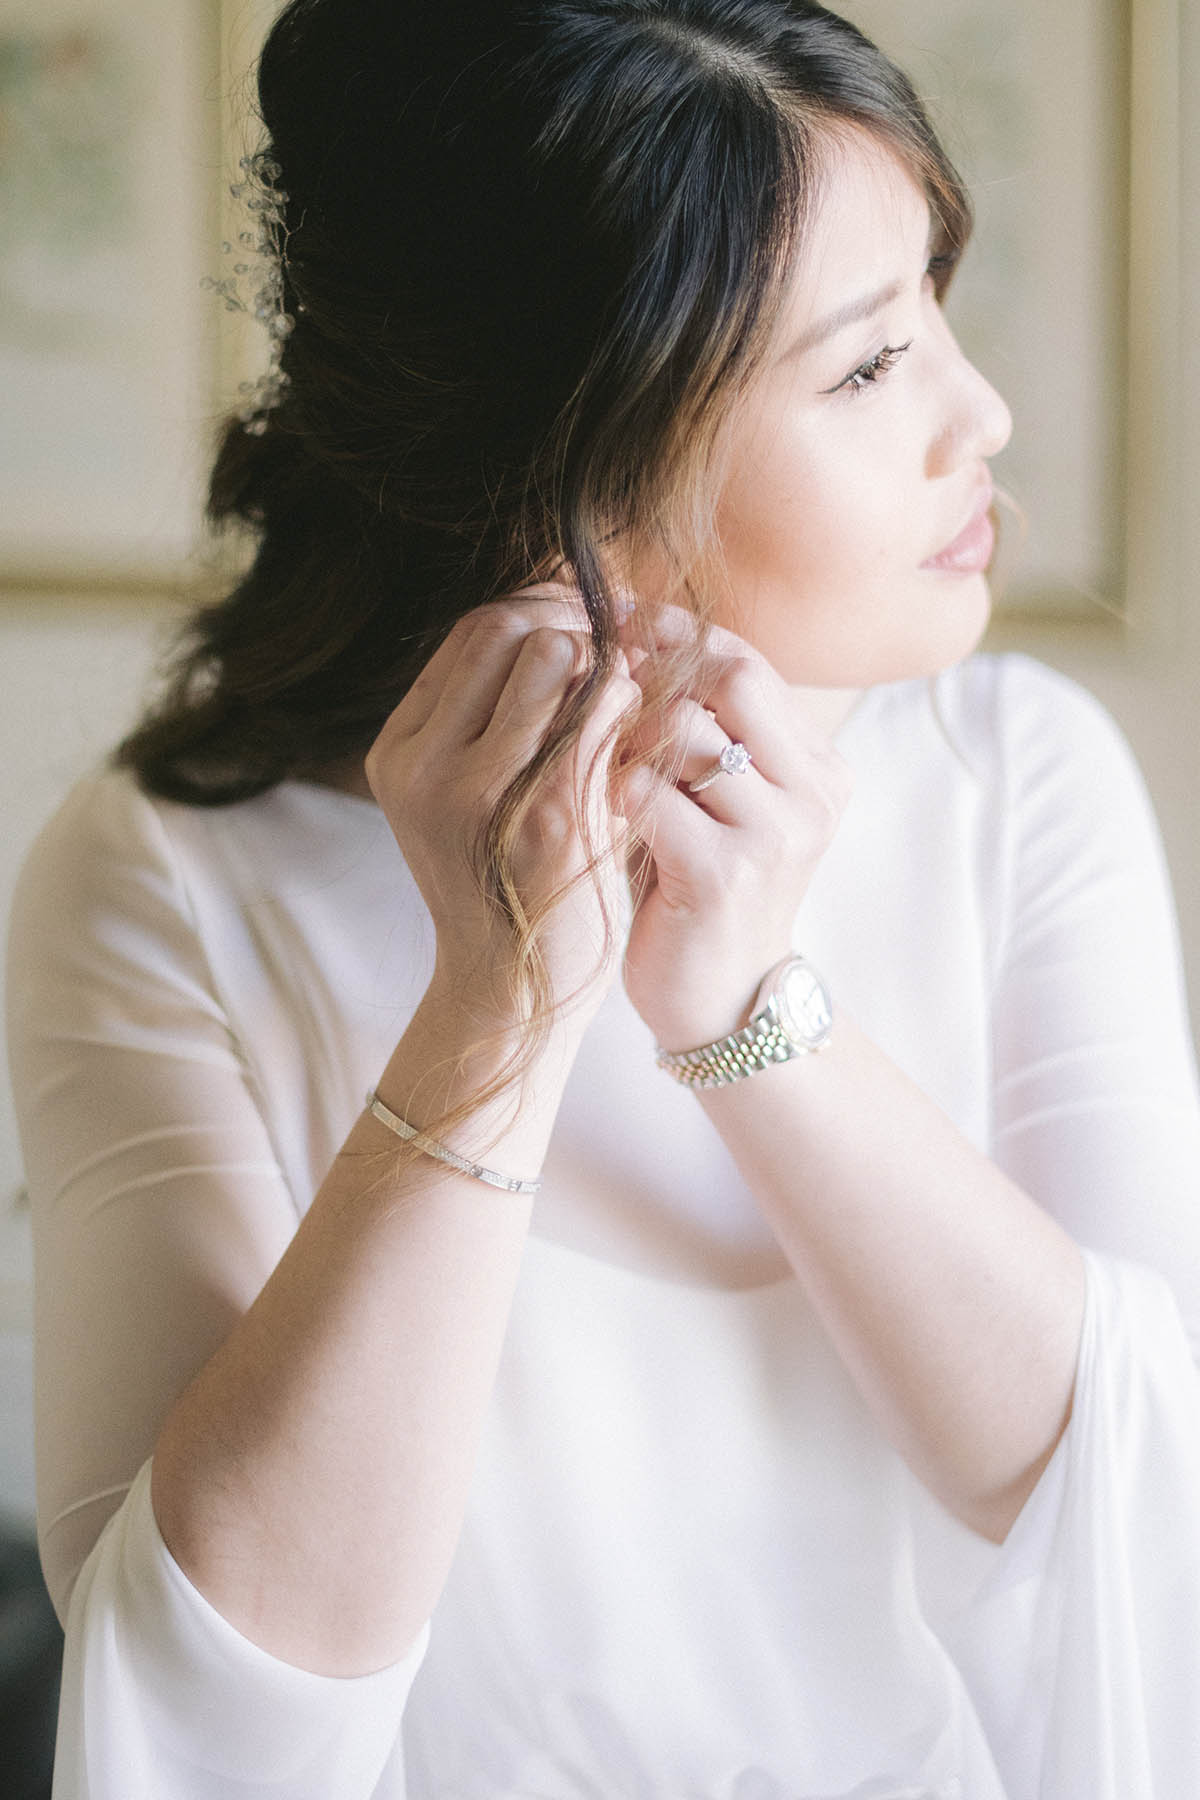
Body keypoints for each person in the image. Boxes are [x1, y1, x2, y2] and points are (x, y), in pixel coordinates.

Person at [7, 2, 1200, 1794]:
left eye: (933, 310)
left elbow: (1127, 1493)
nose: (984, 410)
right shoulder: (165, 874)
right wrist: (499, 1002)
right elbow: (203, 1693)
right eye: (869, 369)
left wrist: (745, 1016)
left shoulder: (1022, 777)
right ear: (569, 470)